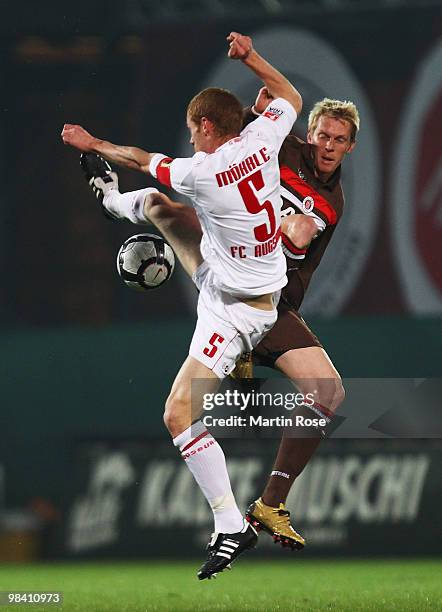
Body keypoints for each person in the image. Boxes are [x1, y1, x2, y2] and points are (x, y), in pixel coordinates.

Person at [61, 31, 302, 579]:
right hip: (237, 277)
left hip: (239, 308)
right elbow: (289, 94)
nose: (191, 141)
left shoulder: (205, 171)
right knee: (155, 206)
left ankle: (230, 525)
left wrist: (94, 143)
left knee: (177, 413)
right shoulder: (260, 140)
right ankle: (110, 201)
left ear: (210, 128)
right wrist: (253, 59)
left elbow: (140, 156)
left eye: (195, 132)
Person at [242, 89, 360, 549]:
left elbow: (304, 264)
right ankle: (241, 348)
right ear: (308, 135)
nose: (329, 145)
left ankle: (270, 503)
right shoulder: (283, 148)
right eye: (323, 135)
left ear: (351, 147)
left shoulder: (335, 202)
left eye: (340, 139)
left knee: (328, 391)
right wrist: (257, 113)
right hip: (239, 282)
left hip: (274, 305)